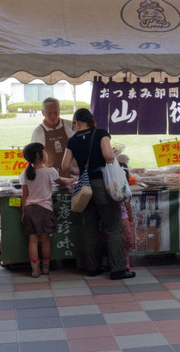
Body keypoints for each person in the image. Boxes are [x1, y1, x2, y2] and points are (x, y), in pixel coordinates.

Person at [62, 108, 135, 280]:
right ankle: (118, 269)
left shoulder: (72, 140)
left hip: (84, 186)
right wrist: (114, 160)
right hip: (102, 184)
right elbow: (109, 155)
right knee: (112, 226)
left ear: (78, 122)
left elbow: (65, 166)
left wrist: (79, 170)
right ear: (90, 120)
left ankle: (92, 267)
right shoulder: (101, 133)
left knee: (90, 228)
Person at [20, 143, 73, 278]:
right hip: (45, 210)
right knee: (45, 240)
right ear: (39, 155)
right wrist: (73, 179)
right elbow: (62, 182)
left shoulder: (24, 174)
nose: (47, 153)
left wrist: (23, 212)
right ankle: (45, 268)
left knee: (32, 240)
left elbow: (24, 196)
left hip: (30, 209)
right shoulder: (50, 171)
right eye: (44, 151)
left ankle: (35, 270)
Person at [31, 98, 74, 174]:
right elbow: (34, 158)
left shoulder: (70, 126)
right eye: (49, 113)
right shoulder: (38, 132)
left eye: (55, 113)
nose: (53, 116)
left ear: (59, 111)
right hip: (50, 175)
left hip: (72, 172)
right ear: (43, 113)